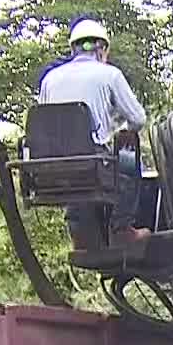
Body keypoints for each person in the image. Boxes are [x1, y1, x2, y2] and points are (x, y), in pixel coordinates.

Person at [36, 19, 152, 247]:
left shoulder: (49, 79)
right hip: (91, 163)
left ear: (73, 49)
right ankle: (121, 228)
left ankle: (80, 234)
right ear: (102, 49)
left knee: (74, 167)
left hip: (52, 167)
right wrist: (122, 131)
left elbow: (44, 120)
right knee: (128, 160)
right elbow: (138, 119)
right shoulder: (109, 75)